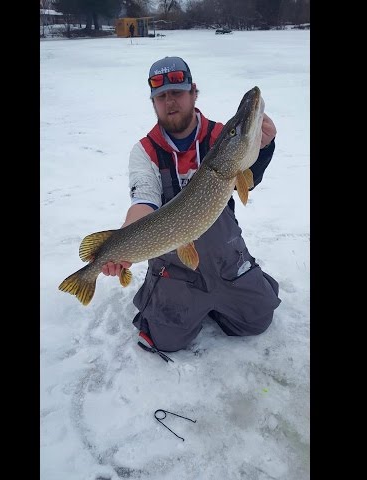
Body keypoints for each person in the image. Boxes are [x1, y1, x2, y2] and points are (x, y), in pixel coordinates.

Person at [102, 56, 281, 356]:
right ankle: (187, 304)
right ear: (154, 102)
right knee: (166, 341)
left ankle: (222, 298)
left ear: (193, 93)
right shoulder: (144, 152)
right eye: (161, 96)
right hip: (174, 265)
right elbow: (143, 202)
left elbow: (246, 181)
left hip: (226, 256)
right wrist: (121, 242)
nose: (170, 102)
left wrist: (263, 147)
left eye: (177, 93)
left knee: (258, 319)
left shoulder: (219, 135)